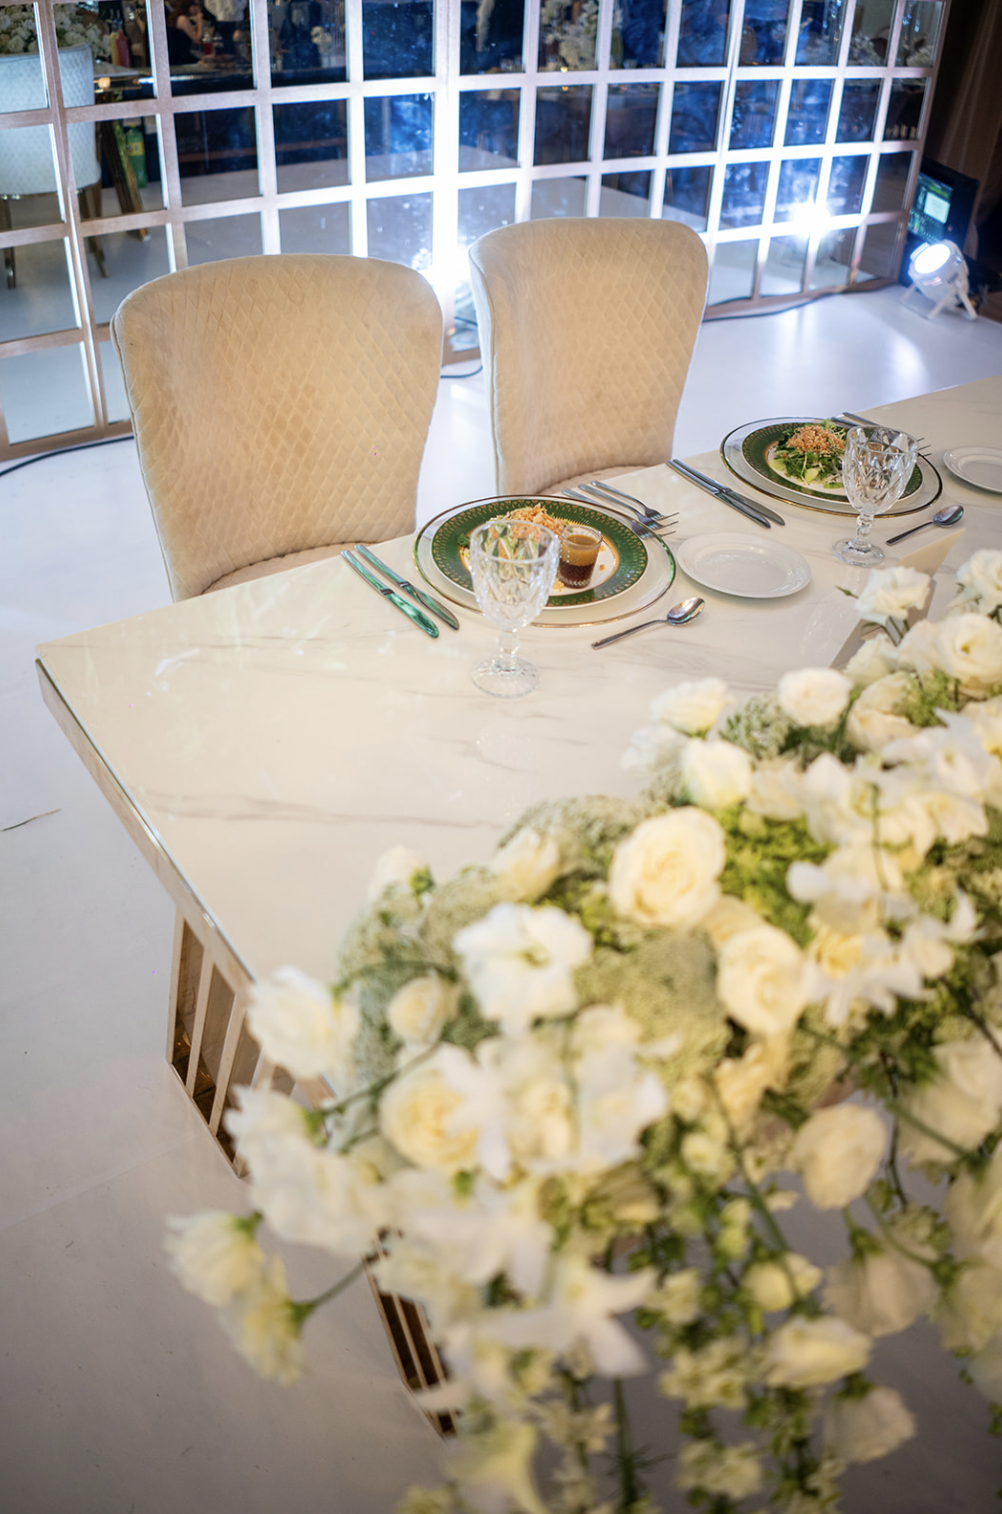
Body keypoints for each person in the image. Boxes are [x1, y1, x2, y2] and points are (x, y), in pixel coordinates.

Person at [166, 1, 203, 66]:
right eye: (195, 5)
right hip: (181, 57)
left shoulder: (183, 18)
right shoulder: (182, 19)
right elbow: (198, 40)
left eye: (199, 5)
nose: (198, 8)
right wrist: (200, 22)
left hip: (182, 54)